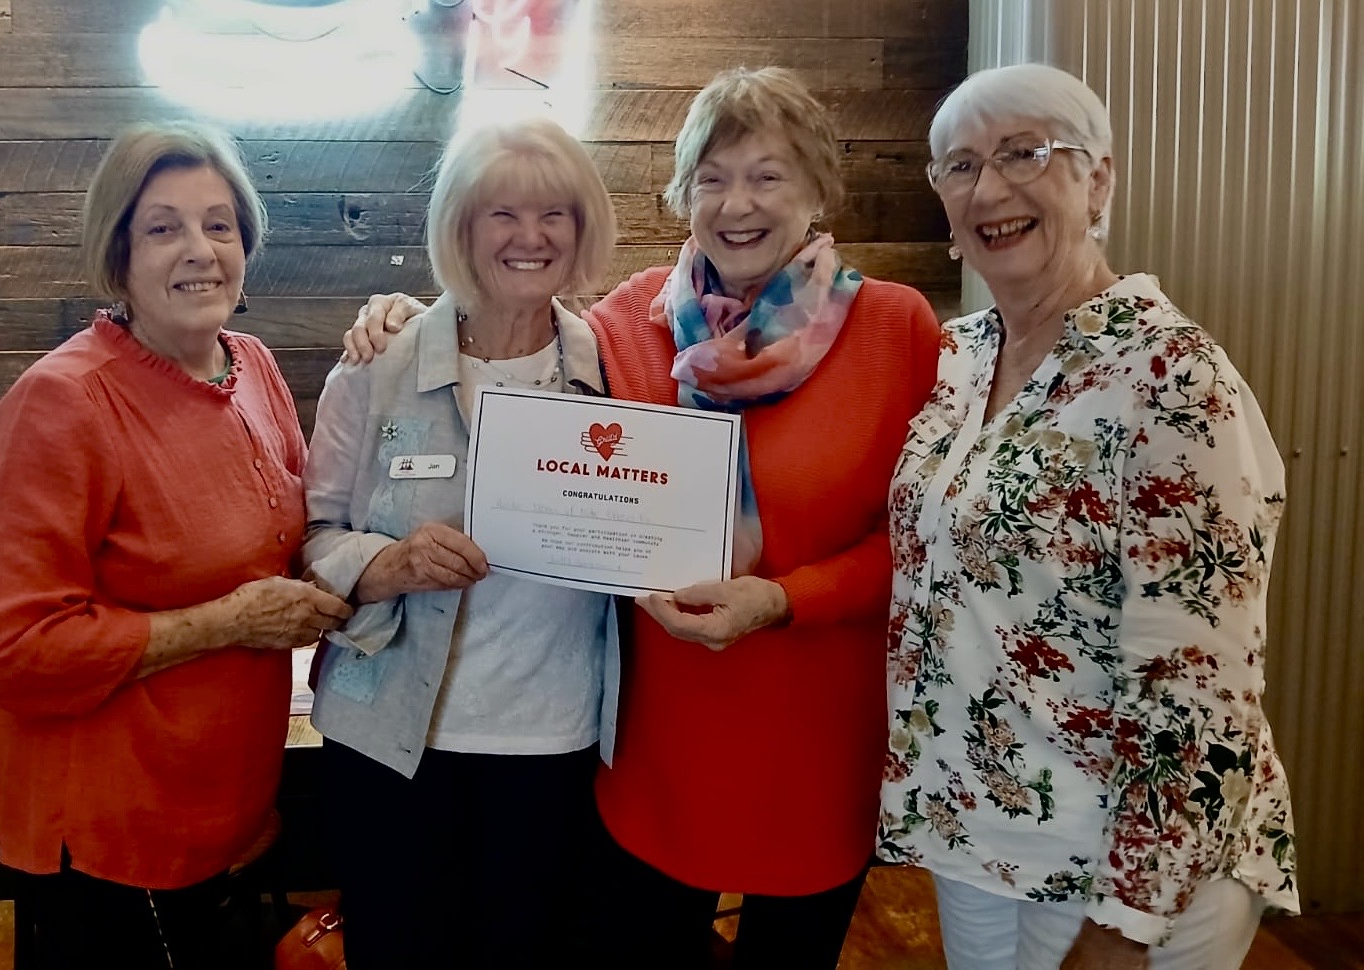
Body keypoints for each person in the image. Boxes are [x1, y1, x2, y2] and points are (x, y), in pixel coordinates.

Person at [343, 67, 943, 969]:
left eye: (768, 175)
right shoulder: (626, 324)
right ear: (683, 194)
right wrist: (402, 315)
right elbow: (507, 339)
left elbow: (924, 550)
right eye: (713, 178)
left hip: (813, 744)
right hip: (659, 747)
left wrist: (785, 600)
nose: (737, 203)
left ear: (818, 188)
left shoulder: (897, 330)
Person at [878, 63, 1299, 969]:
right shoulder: (957, 358)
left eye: (1024, 153)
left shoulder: (1172, 377)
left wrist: (1125, 925)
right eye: (961, 165)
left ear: (1098, 179)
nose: (990, 189)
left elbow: (1200, 688)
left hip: (1128, 864)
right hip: (980, 830)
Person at [0, 122, 353, 969]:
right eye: (162, 228)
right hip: (113, 832)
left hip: (226, 813)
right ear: (118, 256)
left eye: (219, 225)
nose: (199, 251)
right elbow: (14, 652)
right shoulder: (63, 402)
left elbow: (295, 538)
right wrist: (227, 623)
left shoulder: (251, 366)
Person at [300, 116, 621, 968]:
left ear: (581, 228)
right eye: (501, 214)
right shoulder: (378, 366)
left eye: (553, 214)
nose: (529, 237)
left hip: (554, 745)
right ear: (461, 227)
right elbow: (312, 539)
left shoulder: (616, 369)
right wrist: (388, 566)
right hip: (390, 743)